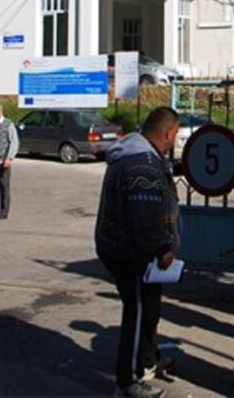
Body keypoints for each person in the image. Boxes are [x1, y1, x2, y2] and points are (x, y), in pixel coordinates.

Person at [95, 107, 181, 398]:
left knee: (150, 306)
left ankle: (148, 359)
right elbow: (143, 219)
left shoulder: (135, 153)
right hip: (129, 253)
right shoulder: (142, 164)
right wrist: (162, 247)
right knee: (137, 309)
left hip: (120, 245)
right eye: (175, 134)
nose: (174, 140)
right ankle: (127, 381)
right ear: (167, 133)